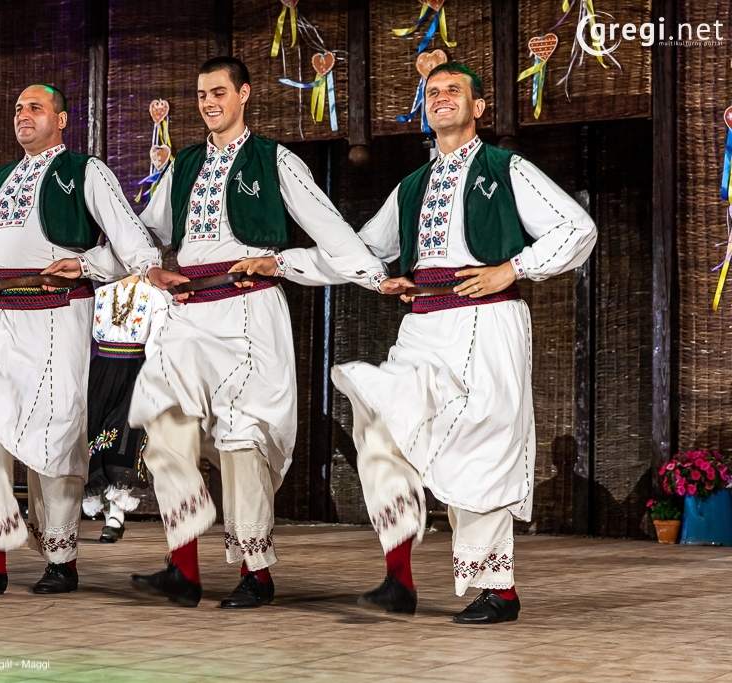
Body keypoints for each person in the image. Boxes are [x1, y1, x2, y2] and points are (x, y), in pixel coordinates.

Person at [264, 62, 597, 623]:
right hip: (423, 323)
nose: (441, 97)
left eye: (453, 90)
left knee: (481, 446)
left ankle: (498, 589)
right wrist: (282, 264)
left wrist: (512, 268)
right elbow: (359, 250)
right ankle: (398, 577)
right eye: (433, 91)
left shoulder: (505, 168)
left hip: (487, 321)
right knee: (381, 429)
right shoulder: (412, 186)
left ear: (479, 107)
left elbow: (576, 227)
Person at [127, 57, 388, 609]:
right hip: (189, 312)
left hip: (247, 308)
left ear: (244, 94)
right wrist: (137, 265)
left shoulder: (274, 159)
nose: (208, 102)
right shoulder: (185, 163)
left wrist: (370, 275)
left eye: (219, 92)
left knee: (242, 437)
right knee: (166, 424)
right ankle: (183, 567)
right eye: (201, 94)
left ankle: (256, 571)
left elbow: (331, 230)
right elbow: (147, 230)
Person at [0, 84, 182, 595]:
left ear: (62, 119)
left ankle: (62, 560)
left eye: (35, 107)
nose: (22, 115)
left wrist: (117, 266)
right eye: (17, 108)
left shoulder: (85, 171)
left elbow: (131, 237)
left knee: (56, 436)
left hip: (56, 316)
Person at [82, 275, 169, 543]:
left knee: (124, 439)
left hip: (135, 370)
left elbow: (157, 342)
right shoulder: (99, 293)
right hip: (101, 369)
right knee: (95, 439)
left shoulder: (154, 296)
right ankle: (108, 512)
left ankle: (116, 514)